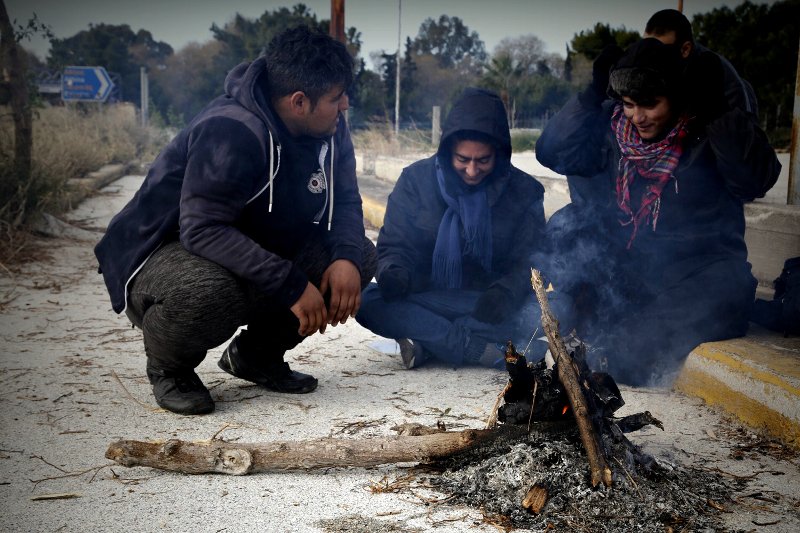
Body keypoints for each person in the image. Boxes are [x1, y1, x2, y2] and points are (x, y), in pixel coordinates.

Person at [94, 26, 377, 415]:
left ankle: (256, 356)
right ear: (299, 102)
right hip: (166, 254)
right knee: (209, 291)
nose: (345, 105)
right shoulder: (231, 130)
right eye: (335, 97)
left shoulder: (331, 128)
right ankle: (169, 368)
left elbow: (345, 198)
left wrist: (344, 256)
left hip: (251, 245)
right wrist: (291, 284)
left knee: (360, 255)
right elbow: (202, 229)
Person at [535, 38, 781, 385]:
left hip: (697, 274)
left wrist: (721, 113)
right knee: (570, 228)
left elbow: (756, 180)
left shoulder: (706, 132)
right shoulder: (612, 130)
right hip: (633, 272)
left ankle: (619, 352)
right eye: (629, 104)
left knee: (641, 343)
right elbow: (552, 152)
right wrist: (591, 97)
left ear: (676, 97)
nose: (638, 116)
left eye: (650, 104)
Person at [356, 87, 551, 369]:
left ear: (500, 155)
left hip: (487, 305)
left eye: (483, 160)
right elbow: (395, 245)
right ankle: (476, 348)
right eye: (463, 160)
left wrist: (505, 294)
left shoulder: (526, 191)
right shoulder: (415, 181)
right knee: (364, 298)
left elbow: (532, 262)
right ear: (448, 153)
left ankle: (429, 341)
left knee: (557, 308)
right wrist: (394, 272)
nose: (472, 171)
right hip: (428, 298)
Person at [643, 8, 758, 117]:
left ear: (685, 49)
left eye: (660, 52)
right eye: (646, 49)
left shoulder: (709, 72)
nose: (651, 59)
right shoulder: (669, 66)